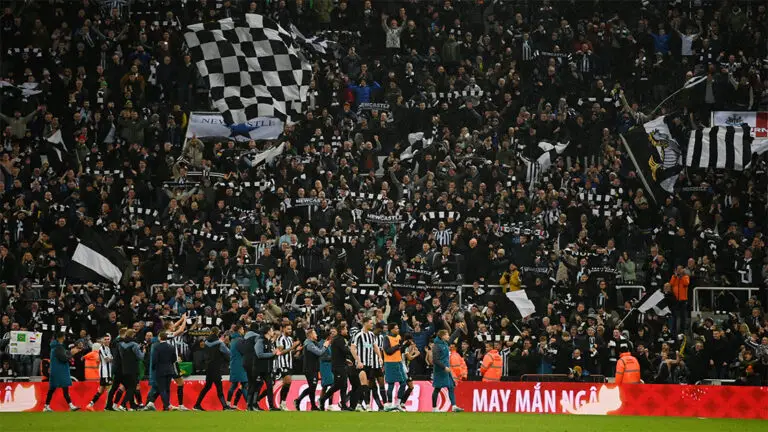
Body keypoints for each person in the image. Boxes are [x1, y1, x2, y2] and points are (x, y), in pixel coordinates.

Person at [193, 327, 232, 411]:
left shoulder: (206, 342)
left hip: (209, 367)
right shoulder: (220, 343)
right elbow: (228, 353)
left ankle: (197, 405)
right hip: (216, 367)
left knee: (207, 387)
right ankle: (225, 406)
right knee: (219, 388)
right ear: (217, 333)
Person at [350, 317, 382, 411]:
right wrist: (358, 361)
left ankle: (358, 404)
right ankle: (368, 405)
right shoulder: (358, 334)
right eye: (370, 323)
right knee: (364, 384)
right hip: (361, 364)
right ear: (365, 323)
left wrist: (379, 357)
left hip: (370, 363)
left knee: (366, 386)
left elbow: (375, 346)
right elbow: (352, 349)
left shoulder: (371, 335)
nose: (372, 325)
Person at [319, 323, 354, 411]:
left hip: (340, 365)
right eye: (346, 329)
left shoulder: (339, 339)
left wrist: (345, 360)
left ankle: (343, 405)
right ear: (341, 331)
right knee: (338, 385)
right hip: (338, 366)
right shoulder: (339, 340)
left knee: (343, 385)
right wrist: (353, 350)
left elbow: (338, 354)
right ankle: (323, 399)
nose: (347, 331)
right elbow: (345, 351)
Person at [43, 332, 81, 412]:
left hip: (57, 370)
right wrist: (72, 353)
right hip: (60, 370)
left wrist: (70, 352)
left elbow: (63, 355)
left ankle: (47, 406)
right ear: (61, 337)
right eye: (64, 336)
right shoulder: (58, 347)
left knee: (54, 389)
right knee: (62, 388)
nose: (65, 338)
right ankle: (70, 405)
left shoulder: (56, 347)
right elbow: (63, 358)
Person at [294, 327, 330, 411]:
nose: (316, 335)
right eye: (315, 333)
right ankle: (301, 401)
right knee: (312, 387)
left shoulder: (312, 343)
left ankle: (304, 403)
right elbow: (319, 353)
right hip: (309, 369)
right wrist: (325, 346)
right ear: (310, 335)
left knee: (312, 387)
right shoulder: (309, 344)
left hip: (313, 368)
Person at [431, 328, 464, 412]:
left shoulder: (445, 343)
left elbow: (452, 337)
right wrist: (444, 367)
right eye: (447, 335)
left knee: (451, 387)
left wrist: (459, 329)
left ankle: (454, 406)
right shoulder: (436, 346)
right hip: (440, 370)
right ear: (442, 336)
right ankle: (434, 408)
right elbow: (435, 360)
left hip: (446, 370)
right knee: (437, 388)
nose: (448, 336)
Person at [251, 324, 282, 411]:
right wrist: (273, 354)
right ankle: (252, 405)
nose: (273, 332)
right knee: (256, 387)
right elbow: (259, 354)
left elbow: (271, 355)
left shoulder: (269, 342)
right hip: (259, 369)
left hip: (267, 369)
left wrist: (276, 354)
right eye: (272, 330)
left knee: (270, 387)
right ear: (268, 332)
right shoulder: (260, 341)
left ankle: (271, 406)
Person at [274, 322, 301, 410]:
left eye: (290, 329)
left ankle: (282, 402)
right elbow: (280, 352)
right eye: (288, 329)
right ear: (283, 329)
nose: (290, 330)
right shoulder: (280, 339)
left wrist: (296, 350)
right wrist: (293, 347)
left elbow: (289, 352)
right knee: (288, 382)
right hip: (282, 364)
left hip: (289, 364)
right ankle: (283, 403)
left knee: (287, 384)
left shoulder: (289, 339)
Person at [382, 322, 408, 411]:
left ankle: (398, 403)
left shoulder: (398, 337)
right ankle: (389, 404)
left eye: (398, 328)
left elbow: (400, 350)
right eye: (396, 328)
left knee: (404, 383)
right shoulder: (386, 338)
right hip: (390, 363)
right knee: (391, 384)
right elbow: (388, 351)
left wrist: (405, 346)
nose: (398, 330)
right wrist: (398, 346)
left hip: (399, 362)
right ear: (391, 329)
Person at [119, 329, 145, 411]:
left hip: (124, 368)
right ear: (132, 335)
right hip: (133, 369)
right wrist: (143, 351)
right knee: (132, 388)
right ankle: (123, 404)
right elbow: (140, 357)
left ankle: (132, 405)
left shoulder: (121, 344)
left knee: (128, 387)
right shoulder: (134, 345)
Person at [152, 331, 178, 411]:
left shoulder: (156, 347)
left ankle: (167, 405)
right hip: (170, 369)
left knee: (162, 388)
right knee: (167, 388)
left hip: (160, 369)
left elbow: (155, 359)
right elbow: (174, 359)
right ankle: (166, 406)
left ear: (159, 337)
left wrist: (153, 367)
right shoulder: (171, 347)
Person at [86, 337, 114, 410]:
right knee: (109, 389)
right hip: (105, 373)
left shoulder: (108, 348)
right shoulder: (102, 349)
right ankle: (108, 406)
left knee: (101, 390)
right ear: (102, 341)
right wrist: (114, 359)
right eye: (105, 339)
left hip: (108, 372)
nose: (107, 340)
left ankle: (90, 405)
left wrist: (111, 359)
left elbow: (110, 358)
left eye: (108, 339)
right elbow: (107, 359)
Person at [104, 327, 127, 411]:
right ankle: (119, 405)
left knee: (114, 388)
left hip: (116, 367)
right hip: (120, 368)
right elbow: (121, 356)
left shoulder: (115, 342)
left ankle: (109, 405)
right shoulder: (120, 343)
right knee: (129, 387)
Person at [227, 325, 248, 410]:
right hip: (240, 365)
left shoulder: (233, 340)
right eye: (243, 329)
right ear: (239, 330)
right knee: (244, 384)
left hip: (234, 364)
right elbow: (244, 352)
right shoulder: (240, 340)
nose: (243, 330)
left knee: (234, 385)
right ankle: (249, 404)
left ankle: (228, 404)